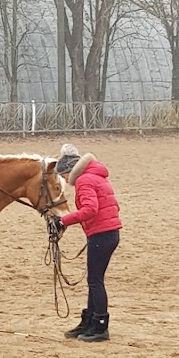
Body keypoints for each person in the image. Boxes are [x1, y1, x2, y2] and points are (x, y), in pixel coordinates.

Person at [53, 143, 122, 342]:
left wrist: (63, 220)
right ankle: (90, 321)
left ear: (68, 171)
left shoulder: (84, 181)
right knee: (94, 279)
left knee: (95, 281)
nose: (64, 180)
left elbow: (91, 209)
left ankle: (100, 325)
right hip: (107, 233)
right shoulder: (96, 176)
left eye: (63, 176)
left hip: (102, 235)